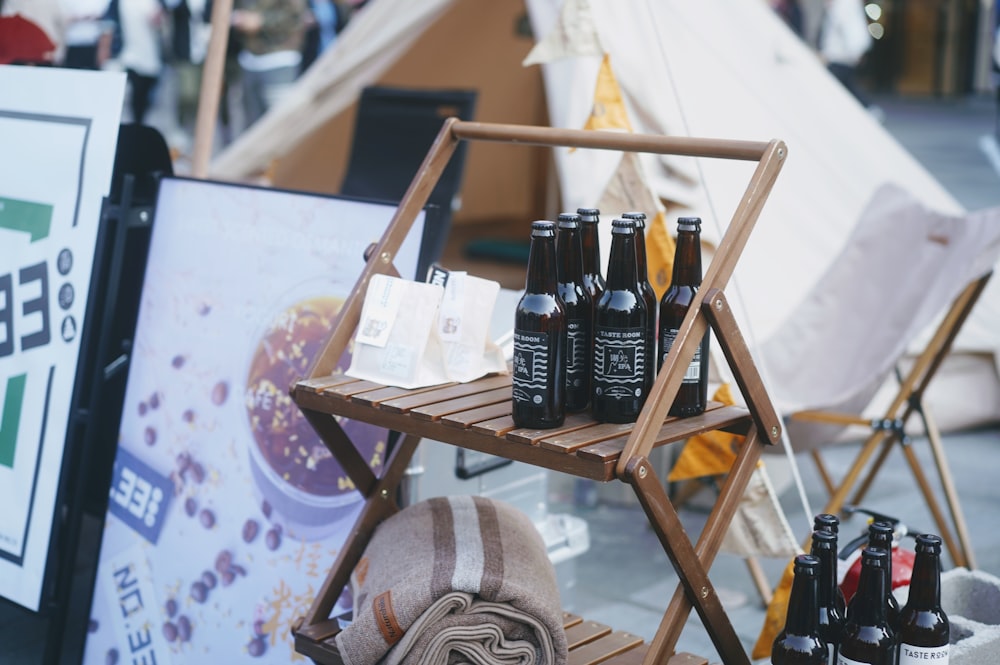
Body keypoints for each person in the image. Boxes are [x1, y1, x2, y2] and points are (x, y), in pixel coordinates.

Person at [231, 0, 309, 127]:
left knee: (281, 126)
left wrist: (261, 22)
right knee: (253, 129)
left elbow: (295, 17)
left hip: (279, 61)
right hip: (249, 61)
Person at [816, 0, 875, 110]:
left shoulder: (844, 4)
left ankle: (868, 107)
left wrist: (855, 51)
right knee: (847, 87)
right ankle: (868, 107)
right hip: (841, 56)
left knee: (838, 89)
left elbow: (848, 27)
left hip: (839, 56)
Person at [116, 0, 164, 125]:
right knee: (140, 105)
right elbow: (156, 21)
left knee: (137, 104)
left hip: (135, 57)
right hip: (141, 59)